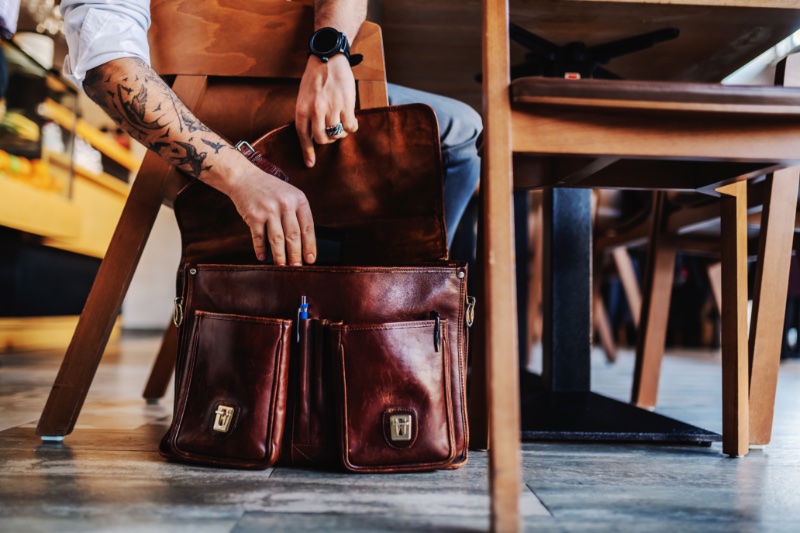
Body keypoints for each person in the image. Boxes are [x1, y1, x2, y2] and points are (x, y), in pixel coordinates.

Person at [60, 0, 481, 265]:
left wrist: (330, 51)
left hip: (294, 90)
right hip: (203, 112)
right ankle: (401, 309)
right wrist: (242, 177)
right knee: (463, 133)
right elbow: (109, 68)